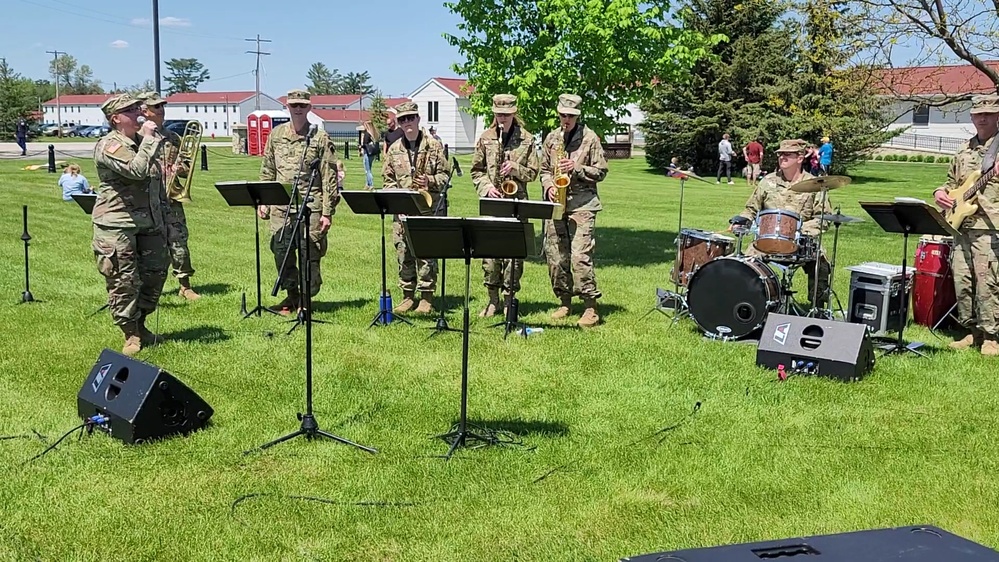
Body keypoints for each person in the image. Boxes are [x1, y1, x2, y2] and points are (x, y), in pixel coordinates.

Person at [91, 93, 169, 356]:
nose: (140, 112)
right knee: (124, 280)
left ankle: (142, 323)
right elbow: (136, 170)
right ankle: (130, 333)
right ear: (115, 118)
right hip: (117, 224)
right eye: (131, 109)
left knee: (155, 274)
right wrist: (148, 140)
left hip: (149, 222)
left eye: (139, 107)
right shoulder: (109, 146)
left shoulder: (143, 141)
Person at [258, 89, 344, 315]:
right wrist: (263, 201)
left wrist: (328, 212)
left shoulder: (319, 137)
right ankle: (292, 297)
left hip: (311, 206)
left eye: (302, 105)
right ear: (287, 106)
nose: (297, 109)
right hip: (281, 207)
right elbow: (268, 170)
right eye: (294, 105)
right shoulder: (276, 135)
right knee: (281, 252)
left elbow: (329, 175)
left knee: (310, 253)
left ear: (309, 108)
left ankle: (306, 299)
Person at [933, 94, 999, 356]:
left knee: (988, 281)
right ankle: (970, 331)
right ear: (972, 117)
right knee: (963, 280)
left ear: (997, 116)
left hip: (990, 225)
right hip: (961, 225)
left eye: (988, 113)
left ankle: (992, 336)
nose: (982, 118)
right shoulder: (964, 149)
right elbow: (951, 181)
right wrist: (940, 192)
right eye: (978, 114)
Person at [732, 138, 832, 308]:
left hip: (801, 241)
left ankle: (817, 308)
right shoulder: (768, 182)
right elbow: (750, 209)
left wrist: (799, 230)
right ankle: (748, 304)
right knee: (745, 263)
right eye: (780, 154)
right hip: (766, 240)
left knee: (821, 263)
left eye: (787, 155)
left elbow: (824, 218)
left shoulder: (815, 185)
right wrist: (742, 221)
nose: (782, 157)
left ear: (800, 158)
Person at [540, 93, 609, 327]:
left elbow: (601, 171)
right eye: (562, 115)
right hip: (557, 204)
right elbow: (544, 170)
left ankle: (591, 306)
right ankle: (565, 301)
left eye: (570, 116)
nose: (566, 119)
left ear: (578, 116)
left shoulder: (590, 138)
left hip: (583, 205)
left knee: (580, 256)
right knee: (556, 256)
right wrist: (549, 185)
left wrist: (577, 168)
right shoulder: (552, 138)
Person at [470, 93, 540, 317]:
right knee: (490, 256)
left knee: (513, 257)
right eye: (499, 114)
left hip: (516, 204)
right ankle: (492, 300)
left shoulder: (527, 139)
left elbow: (534, 173)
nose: (502, 119)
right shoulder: (485, 138)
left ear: (514, 114)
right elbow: (476, 171)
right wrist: (486, 187)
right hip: (493, 202)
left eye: (507, 115)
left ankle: (510, 300)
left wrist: (515, 169)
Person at [382, 101, 451, 314]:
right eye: (403, 119)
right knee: (404, 253)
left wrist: (429, 181)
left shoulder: (434, 145)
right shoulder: (394, 150)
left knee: (427, 253)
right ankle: (407, 296)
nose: (407, 122)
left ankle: (426, 298)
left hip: (428, 209)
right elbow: (388, 181)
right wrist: (397, 202)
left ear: (418, 119)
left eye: (410, 118)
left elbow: (445, 176)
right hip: (402, 212)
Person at [137, 92, 200, 300]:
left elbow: (187, 164)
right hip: (146, 199)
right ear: (144, 111)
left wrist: (177, 168)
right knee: (146, 245)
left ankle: (185, 285)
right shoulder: (137, 137)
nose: (161, 110)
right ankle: (144, 287)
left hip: (170, 198)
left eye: (162, 106)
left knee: (179, 241)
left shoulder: (173, 137)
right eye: (156, 107)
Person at [359, 120, 377, 188]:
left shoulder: (367, 134)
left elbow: (365, 144)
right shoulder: (374, 134)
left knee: (367, 170)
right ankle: (367, 184)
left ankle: (371, 184)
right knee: (369, 168)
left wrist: (361, 146)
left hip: (367, 153)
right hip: (372, 154)